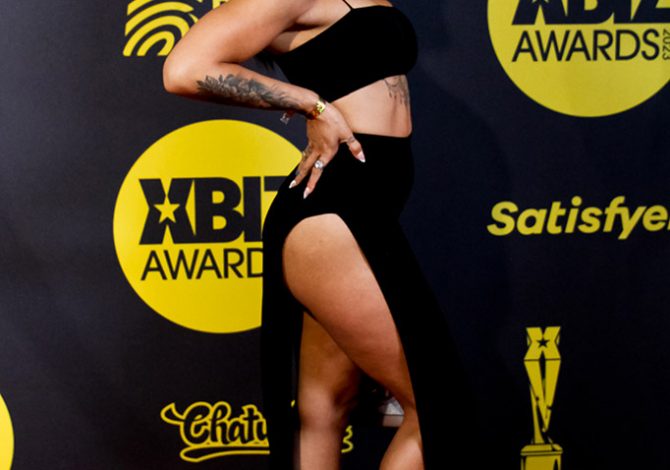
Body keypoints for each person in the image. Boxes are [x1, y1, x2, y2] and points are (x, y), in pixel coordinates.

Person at [163, 0, 475, 468]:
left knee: (326, 406)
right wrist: (312, 104)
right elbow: (184, 70)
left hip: (368, 208)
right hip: (333, 211)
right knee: (440, 407)